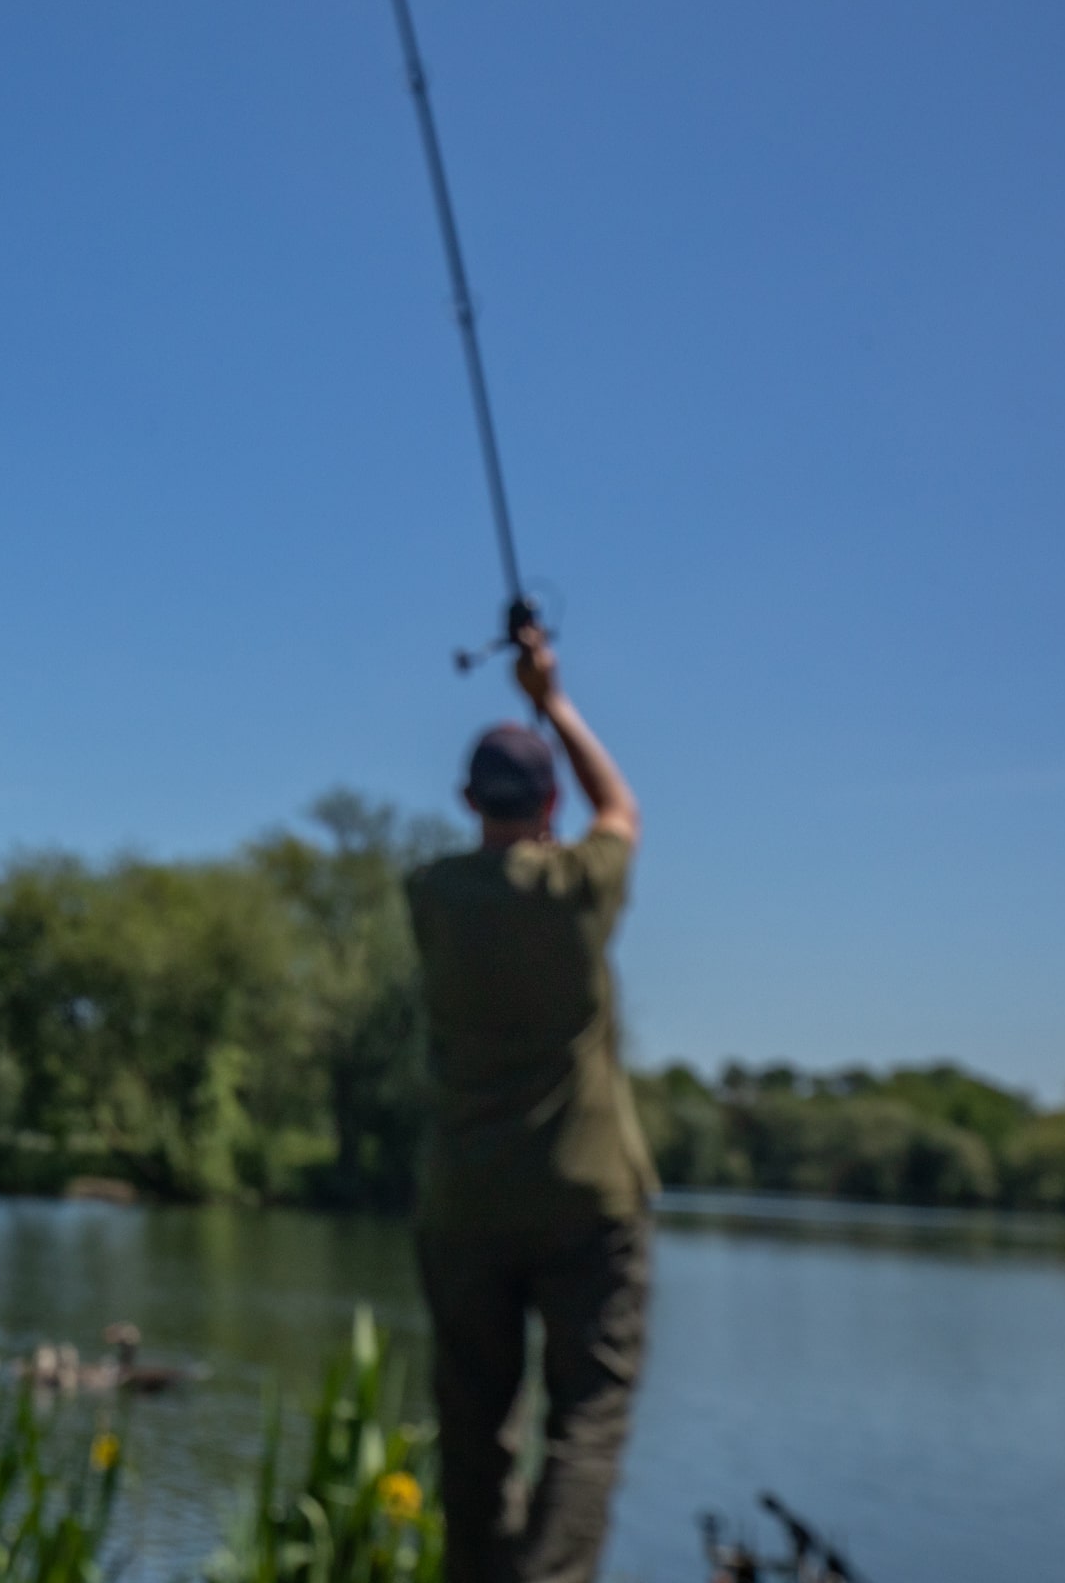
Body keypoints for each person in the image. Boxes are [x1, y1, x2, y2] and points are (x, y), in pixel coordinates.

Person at [405, 624, 653, 1583]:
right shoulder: (578, 889)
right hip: (589, 1203)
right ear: (550, 800)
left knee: (474, 1425)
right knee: (586, 1421)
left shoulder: (430, 894)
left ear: (467, 802)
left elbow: (564, 827)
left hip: (466, 1206)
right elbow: (621, 808)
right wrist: (553, 700)